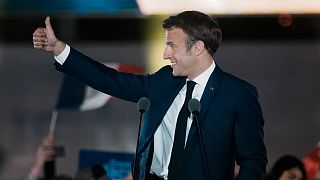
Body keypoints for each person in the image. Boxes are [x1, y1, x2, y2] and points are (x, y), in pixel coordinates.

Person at [32, 11, 267, 180]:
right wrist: (60, 50)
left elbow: (253, 164)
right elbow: (110, 80)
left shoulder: (238, 94)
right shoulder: (164, 81)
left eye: (172, 46)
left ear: (197, 48)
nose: (165, 54)